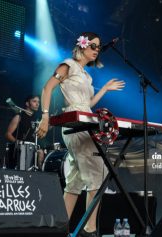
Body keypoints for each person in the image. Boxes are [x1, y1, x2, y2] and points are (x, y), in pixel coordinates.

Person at [36, 32, 124, 237]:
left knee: (75, 179)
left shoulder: (87, 75)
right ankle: (89, 230)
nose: (96, 50)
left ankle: (61, 229)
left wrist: (104, 90)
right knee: (99, 173)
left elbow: (89, 104)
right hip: (73, 122)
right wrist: (45, 116)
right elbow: (47, 87)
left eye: (99, 47)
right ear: (82, 45)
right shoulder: (68, 65)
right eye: (93, 46)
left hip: (85, 120)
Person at [5, 95, 44, 169]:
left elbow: (39, 135)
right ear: (27, 103)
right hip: (20, 150)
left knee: (41, 152)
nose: (37, 104)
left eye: (38, 102)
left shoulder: (37, 120)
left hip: (32, 148)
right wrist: (19, 143)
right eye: (34, 101)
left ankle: (39, 172)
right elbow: (8, 134)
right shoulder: (19, 117)